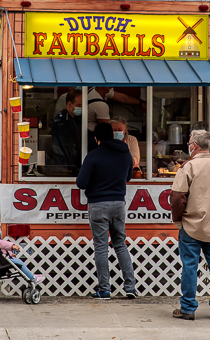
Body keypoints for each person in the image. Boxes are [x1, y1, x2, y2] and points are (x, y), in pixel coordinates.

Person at [170, 129, 210, 321]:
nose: (188, 146)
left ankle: (188, 308)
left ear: (195, 146)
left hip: (191, 225)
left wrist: (177, 220)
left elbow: (177, 198)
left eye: (189, 142)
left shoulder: (188, 167)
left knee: (190, 266)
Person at [76, 122, 137, 299]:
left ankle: (104, 290)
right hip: (119, 204)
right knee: (120, 244)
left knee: (101, 248)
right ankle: (130, 288)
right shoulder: (126, 154)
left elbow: (81, 183)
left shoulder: (93, 156)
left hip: (98, 205)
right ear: (112, 135)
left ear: (97, 138)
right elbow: (128, 177)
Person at [49, 88, 83, 172]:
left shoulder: (77, 119)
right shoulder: (61, 122)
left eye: (83, 105)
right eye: (79, 105)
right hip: (64, 164)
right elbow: (63, 146)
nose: (81, 108)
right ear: (69, 104)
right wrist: (69, 165)